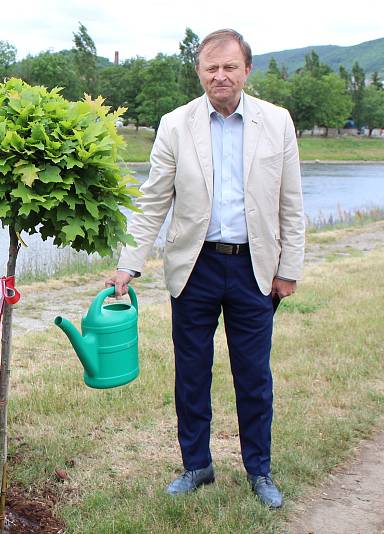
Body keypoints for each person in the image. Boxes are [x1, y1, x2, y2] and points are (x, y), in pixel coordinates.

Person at [105, 29, 304, 509]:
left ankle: (259, 470)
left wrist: (288, 269)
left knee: (253, 375)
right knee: (191, 373)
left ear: (246, 71)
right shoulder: (175, 125)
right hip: (195, 269)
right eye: (211, 67)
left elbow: (291, 203)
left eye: (229, 67)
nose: (220, 75)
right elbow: (153, 201)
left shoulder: (277, 123)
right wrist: (128, 264)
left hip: (255, 269)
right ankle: (197, 464)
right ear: (199, 71)